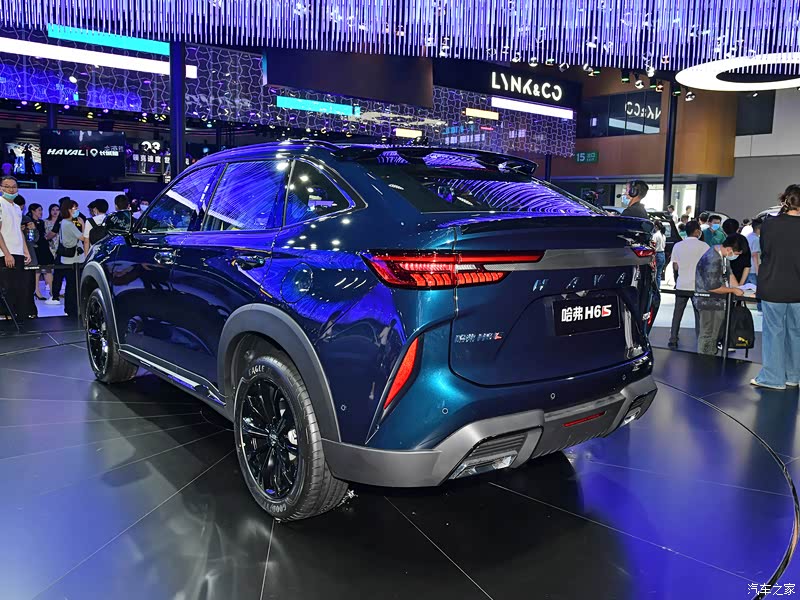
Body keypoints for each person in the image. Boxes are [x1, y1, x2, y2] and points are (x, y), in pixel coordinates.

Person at [751, 186, 800, 390]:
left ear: (784, 200)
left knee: (774, 333)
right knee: (796, 333)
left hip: (773, 284)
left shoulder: (770, 224)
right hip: (797, 288)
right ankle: (793, 376)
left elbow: (766, 251)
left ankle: (773, 378)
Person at [694, 234, 746, 355]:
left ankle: (710, 358)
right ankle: (704, 360)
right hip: (708, 303)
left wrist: (740, 289)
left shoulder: (722, 256)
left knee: (714, 335)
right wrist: (733, 291)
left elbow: (729, 274)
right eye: (736, 254)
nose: (736, 257)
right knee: (708, 334)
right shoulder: (712, 259)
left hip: (717, 303)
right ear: (729, 249)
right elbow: (712, 287)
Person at [668, 221, 706, 348]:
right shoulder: (704, 246)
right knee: (699, 315)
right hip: (698, 286)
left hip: (682, 284)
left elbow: (675, 266)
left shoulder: (678, 246)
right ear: (697, 231)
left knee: (677, 313)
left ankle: (673, 338)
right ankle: (700, 340)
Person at [0, 176, 31, 324]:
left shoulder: (17, 208)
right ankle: (6, 319)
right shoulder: (0, 204)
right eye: (7, 186)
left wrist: (26, 250)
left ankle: (18, 319)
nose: (11, 189)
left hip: (18, 253)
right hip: (5, 254)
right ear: (1, 188)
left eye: (14, 186)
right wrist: (7, 253)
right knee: (8, 289)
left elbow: (19, 231)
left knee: (20, 288)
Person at [57, 198, 86, 318]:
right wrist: (83, 225)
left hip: (69, 259)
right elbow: (83, 237)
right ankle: (72, 309)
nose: (77, 210)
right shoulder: (68, 224)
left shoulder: (65, 223)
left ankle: (70, 309)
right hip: (73, 259)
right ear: (69, 210)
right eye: (75, 208)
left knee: (71, 285)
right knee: (73, 286)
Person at [27, 203, 52, 300]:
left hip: (43, 246)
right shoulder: (29, 222)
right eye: (39, 210)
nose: (41, 212)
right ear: (33, 211)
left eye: (41, 210)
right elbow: (30, 237)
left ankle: (53, 291)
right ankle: (37, 291)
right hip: (35, 248)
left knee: (48, 268)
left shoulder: (41, 222)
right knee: (37, 270)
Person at [723, 219, 750, 287]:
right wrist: (740, 285)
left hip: (726, 280)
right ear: (738, 229)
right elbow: (747, 265)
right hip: (741, 276)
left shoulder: (725, 241)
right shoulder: (743, 240)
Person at [43, 203, 61, 305]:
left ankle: (56, 291)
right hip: (50, 247)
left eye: (57, 210)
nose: (55, 212)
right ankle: (51, 289)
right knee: (49, 268)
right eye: (53, 210)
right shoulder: (45, 222)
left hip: (60, 247)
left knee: (59, 270)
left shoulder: (62, 222)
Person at [652, 221, 666, 289]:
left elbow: (653, 245)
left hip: (657, 254)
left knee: (654, 274)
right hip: (662, 254)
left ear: (656, 226)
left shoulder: (655, 235)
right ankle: (658, 288)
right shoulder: (663, 235)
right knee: (659, 274)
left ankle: (655, 289)